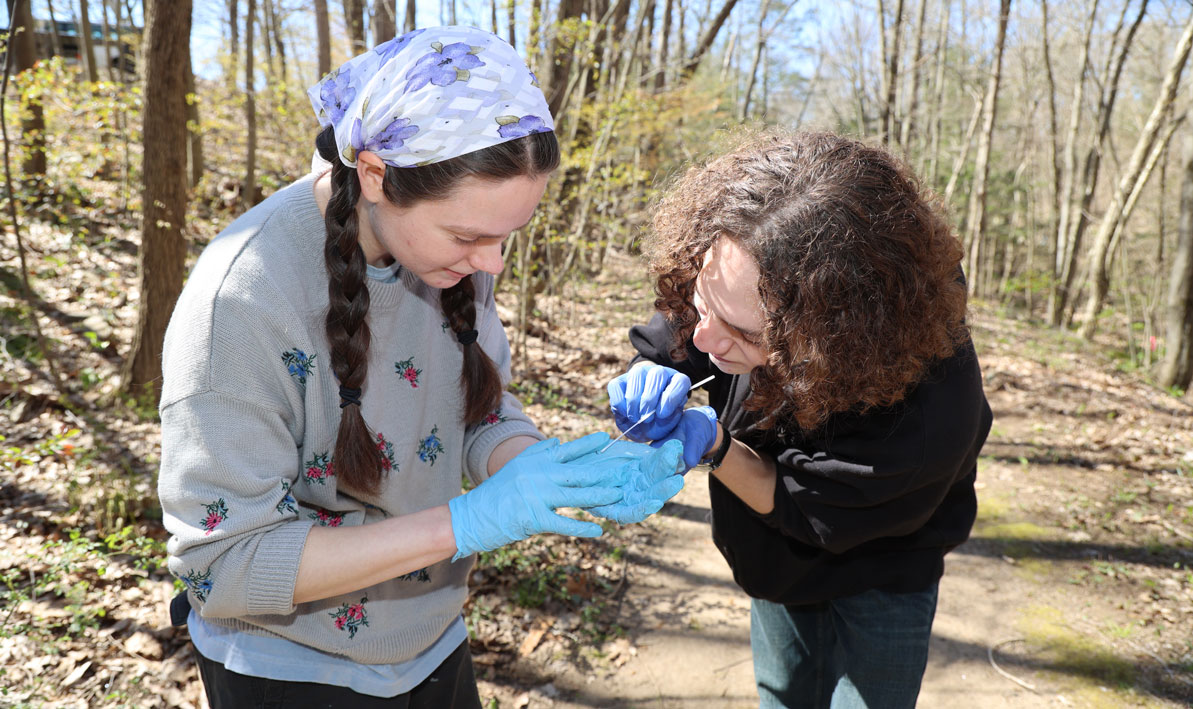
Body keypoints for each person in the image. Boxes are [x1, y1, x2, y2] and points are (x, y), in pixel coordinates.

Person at [157, 26, 683, 708]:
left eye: (507, 237)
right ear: (375, 174)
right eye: (470, 236)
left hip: (430, 641)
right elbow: (222, 564)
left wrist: (544, 471)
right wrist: (464, 522)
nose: (492, 263)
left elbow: (478, 412)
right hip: (290, 667)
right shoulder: (243, 296)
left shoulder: (449, 257)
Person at [607, 130, 993, 708]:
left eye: (743, 332)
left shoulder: (928, 415)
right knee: (784, 693)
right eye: (704, 302)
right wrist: (645, 370)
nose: (705, 338)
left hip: (884, 566)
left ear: (838, 339)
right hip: (776, 559)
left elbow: (801, 504)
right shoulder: (740, 268)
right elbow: (677, 336)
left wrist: (714, 447)